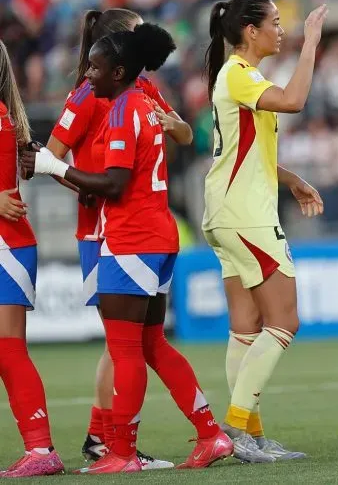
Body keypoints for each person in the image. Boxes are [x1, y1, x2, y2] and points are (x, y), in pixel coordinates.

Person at [23, 23, 232, 474]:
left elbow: (115, 185)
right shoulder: (144, 102)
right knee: (152, 344)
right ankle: (210, 434)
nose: (88, 75)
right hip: (157, 233)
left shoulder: (122, 110)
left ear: (118, 71)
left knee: (125, 350)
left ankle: (120, 451)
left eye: (95, 68)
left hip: (130, 238)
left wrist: (52, 166)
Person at [45, 8, 191, 470]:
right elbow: (51, 158)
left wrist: (174, 127)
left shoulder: (142, 91)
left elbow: (185, 133)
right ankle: (105, 438)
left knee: (123, 342)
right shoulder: (90, 94)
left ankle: (103, 437)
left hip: (132, 224)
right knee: (120, 342)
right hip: (102, 227)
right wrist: (88, 187)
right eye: (138, 31)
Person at [202, 0, 327, 463]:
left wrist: (291, 179)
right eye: (275, 23)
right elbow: (295, 100)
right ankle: (234, 430)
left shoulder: (240, 76)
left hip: (227, 212)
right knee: (285, 320)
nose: (283, 30)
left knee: (248, 327)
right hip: (246, 215)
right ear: (251, 31)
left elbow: (245, 150)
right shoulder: (237, 73)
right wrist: (312, 42)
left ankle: (248, 434)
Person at [0, 40, 64, 478]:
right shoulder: (7, 116)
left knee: (9, 350)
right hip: (11, 243)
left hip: (7, 245)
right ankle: (40, 449)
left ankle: (41, 450)